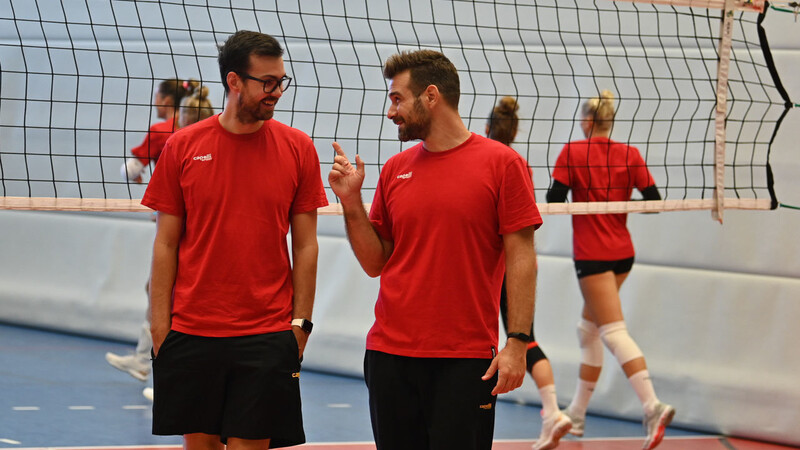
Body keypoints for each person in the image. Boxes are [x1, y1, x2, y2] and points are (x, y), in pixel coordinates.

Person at [329, 50, 542, 450]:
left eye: (397, 99)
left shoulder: (502, 164)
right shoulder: (396, 169)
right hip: (389, 356)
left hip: (464, 362)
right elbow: (376, 263)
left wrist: (518, 342)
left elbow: (522, 258)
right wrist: (351, 203)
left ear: (430, 96)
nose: (391, 112)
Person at [141, 30, 328, 449]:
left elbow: (306, 245)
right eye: (267, 82)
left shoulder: (298, 148)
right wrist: (159, 327)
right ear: (234, 81)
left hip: (265, 334)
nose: (277, 91)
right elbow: (165, 243)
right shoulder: (184, 146)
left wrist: (300, 325)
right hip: (192, 332)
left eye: (281, 80)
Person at [546, 90, 674, 450]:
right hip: (622, 254)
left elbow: (555, 202)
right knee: (588, 330)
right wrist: (615, 202)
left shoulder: (572, 152)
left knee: (613, 332)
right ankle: (578, 414)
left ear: (587, 121)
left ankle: (652, 406)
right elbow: (654, 204)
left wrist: (587, 201)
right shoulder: (630, 154)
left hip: (593, 256)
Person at [486, 96, 572, 450]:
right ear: (515, 130)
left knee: (521, 338)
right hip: (518, 261)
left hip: (502, 265)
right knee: (524, 336)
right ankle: (552, 412)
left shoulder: (491, 160)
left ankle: (552, 412)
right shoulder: (519, 162)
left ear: (488, 128)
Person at [106, 78, 189, 382]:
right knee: (157, 289)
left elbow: (129, 169)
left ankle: (167, 375)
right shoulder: (206, 127)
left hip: (178, 226)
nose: (155, 100)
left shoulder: (162, 131)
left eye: (157, 95)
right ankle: (144, 360)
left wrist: (140, 173)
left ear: (167, 99)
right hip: (204, 221)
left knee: (167, 294)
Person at [121, 79, 188, 182]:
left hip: (170, 194)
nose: (154, 103)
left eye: (156, 97)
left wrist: (132, 174)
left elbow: (129, 170)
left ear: (166, 101)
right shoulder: (197, 124)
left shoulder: (159, 131)